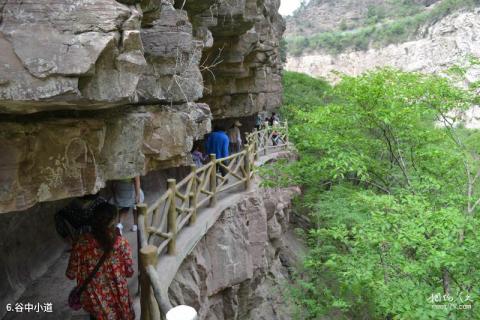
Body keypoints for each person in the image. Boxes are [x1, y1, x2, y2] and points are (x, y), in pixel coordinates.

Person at [66, 202, 135, 320]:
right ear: (112, 222)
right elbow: (129, 272)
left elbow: (71, 273)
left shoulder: (81, 243)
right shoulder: (121, 243)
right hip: (118, 293)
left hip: (95, 297)